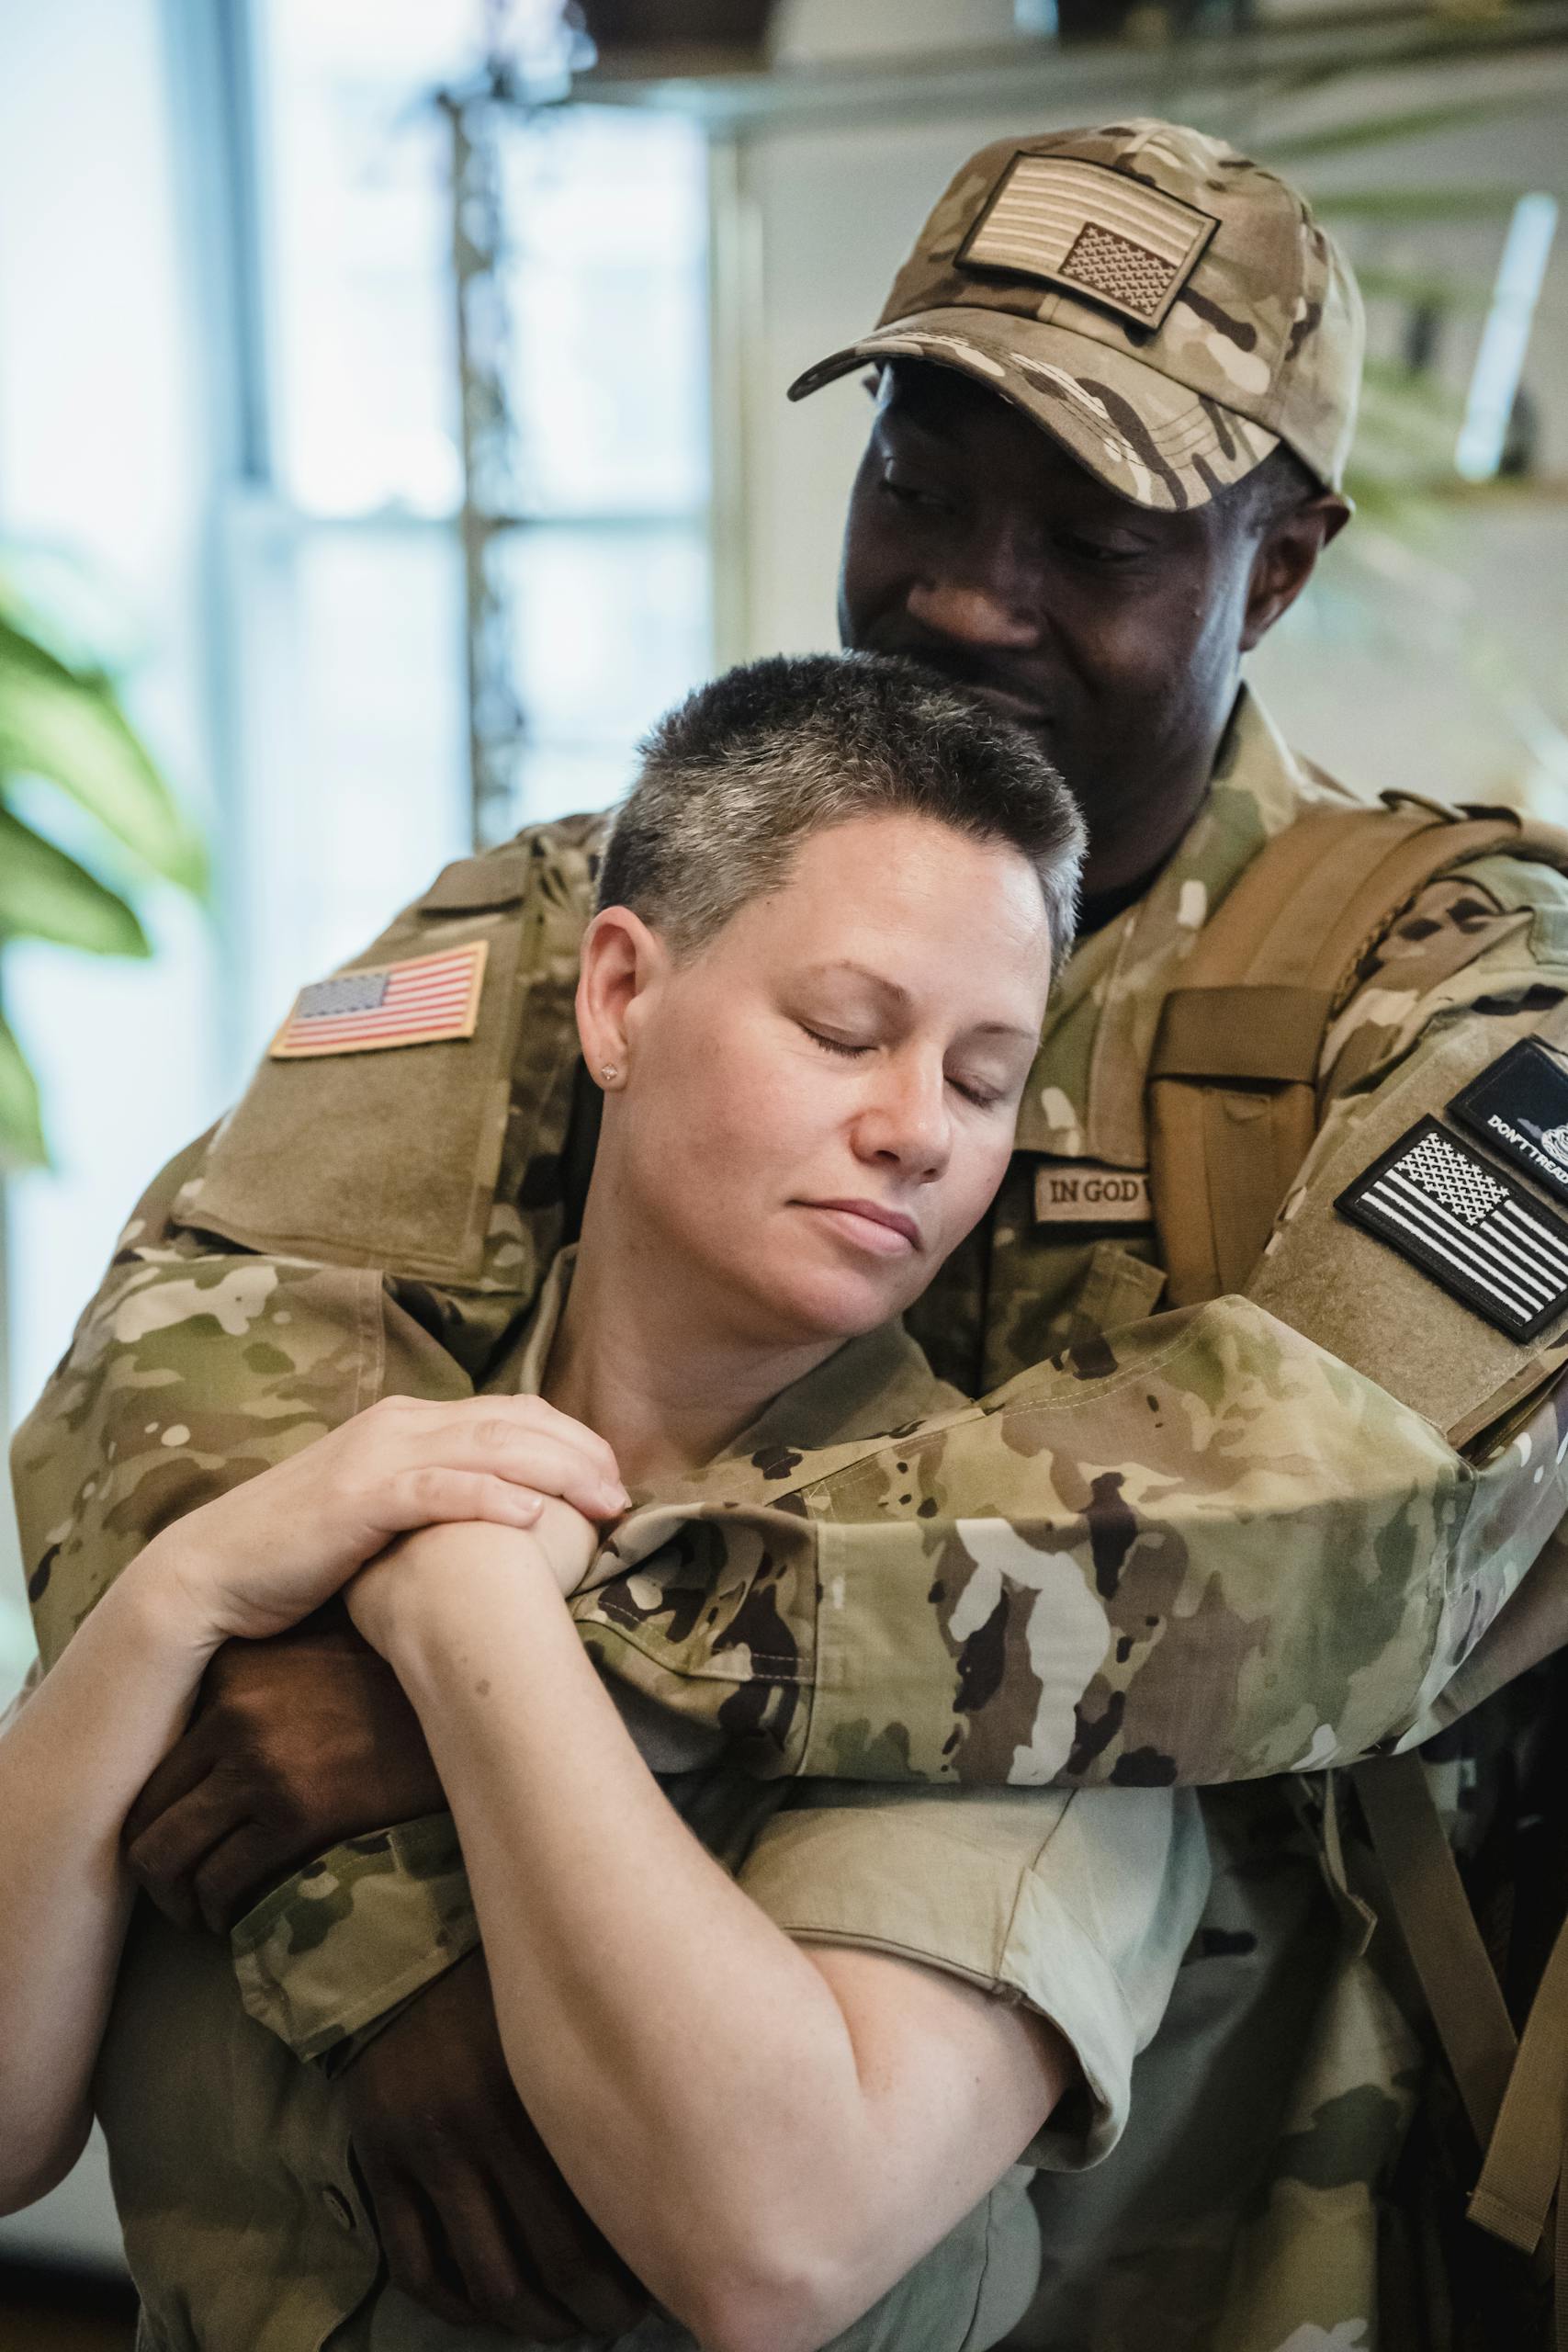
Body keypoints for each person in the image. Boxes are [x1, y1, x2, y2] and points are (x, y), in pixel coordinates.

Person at [14, 118, 1568, 2347]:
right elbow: (194, 1357)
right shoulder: (619, 885)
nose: (960, 589)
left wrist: (573, 1652)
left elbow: (1349, 1512)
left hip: (1248, 2207)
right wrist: (391, 1947)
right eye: (918, 485)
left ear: (1280, 561)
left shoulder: (1442, 978)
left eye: (1090, 532)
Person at [3, 652, 1216, 2352]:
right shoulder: (295, 1450)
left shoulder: (1030, 1589)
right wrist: (178, 1598)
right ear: (620, 1000)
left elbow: (775, 2246)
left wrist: (465, 1615)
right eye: (846, 1031)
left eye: (984, 1076)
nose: (914, 1130)